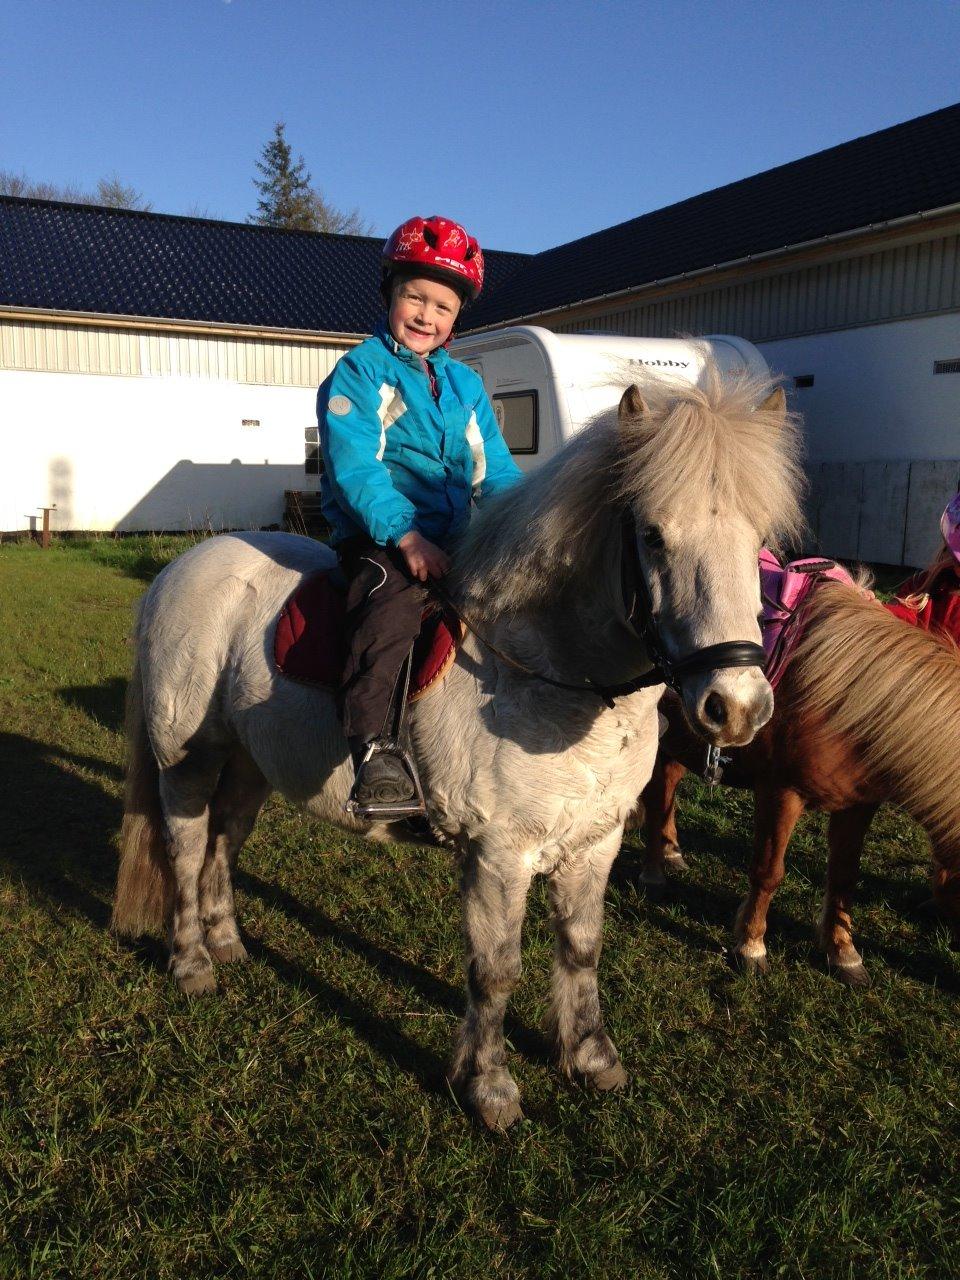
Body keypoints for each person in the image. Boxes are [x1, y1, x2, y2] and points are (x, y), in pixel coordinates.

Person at [316, 215, 523, 807]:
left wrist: (525, 524)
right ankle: (375, 750)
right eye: (415, 297)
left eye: (443, 306)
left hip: (458, 539)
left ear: (458, 318)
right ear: (390, 295)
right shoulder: (361, 370)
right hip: (381, 537)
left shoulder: (465, 386)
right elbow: (355, 466)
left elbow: (496, 472)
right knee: (391, 608)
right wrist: (405, 536)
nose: (426, 316)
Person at [886, 492, 960, 639]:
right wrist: (873, 611)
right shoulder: (922, 587)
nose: (956, 568)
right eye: (954, 557)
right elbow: (896, 620)